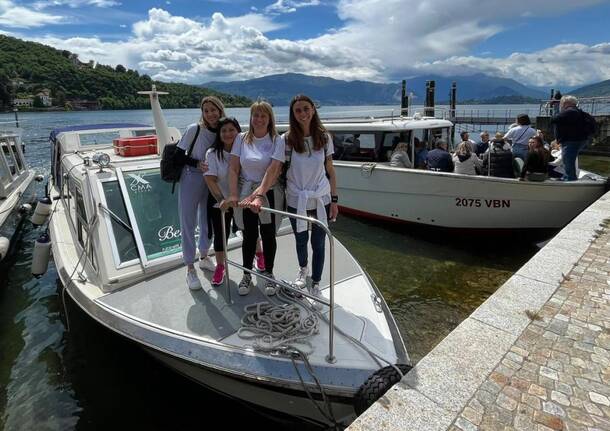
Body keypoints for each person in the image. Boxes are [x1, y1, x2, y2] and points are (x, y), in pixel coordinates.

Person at [283, 94, 338, 305]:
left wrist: (334, 199)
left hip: (320, 198)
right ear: (293, 114)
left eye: (306, 109)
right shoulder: (287, 140)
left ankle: (315, 282)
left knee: (319, 243)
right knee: (300, 239)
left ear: (313, 110)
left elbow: (330, 169)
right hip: (297, 198)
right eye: (298, 110)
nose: (303, 114)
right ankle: (303, 269)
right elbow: (276, 168)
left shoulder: (324, 138)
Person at [226, 101, 285, 296]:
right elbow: (234, 168)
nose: (259, 119)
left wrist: (258, 195)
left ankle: (269, 273)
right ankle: (247, 274)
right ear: (250, 118)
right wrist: (234, 194)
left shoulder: (277, 140)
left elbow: (273, 169)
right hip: (245, 191)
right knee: (249, 235)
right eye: (255, 115)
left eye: (263, 116)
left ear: (270, 119)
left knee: (268, 235)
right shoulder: (241, 139)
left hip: (269, 193)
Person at [176, 96, 225, 290]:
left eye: (213, 109)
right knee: (188, 221)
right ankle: (190, 268)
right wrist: (196, 163)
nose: (210, 114)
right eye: (206, 110)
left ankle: (204, 256)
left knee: (208, 220)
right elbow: (178, 155)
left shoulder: (222, 132)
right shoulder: (194, 129)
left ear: (220, 110)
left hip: (212, 179)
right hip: (192, 177)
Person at [204, 116, 241, 286]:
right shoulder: (212, 154)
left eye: (231, 130)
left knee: (249, 230)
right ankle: (220, 266)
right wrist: (223, 201)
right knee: (221, 236)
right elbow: (210, 179)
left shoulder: (245, 150)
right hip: (220, 200)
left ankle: (259, 255)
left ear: (238, 131)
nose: (227, 133)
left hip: (242, 199)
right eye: (223, 130)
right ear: (219, 134)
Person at [550, 95, 595, 181]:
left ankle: (570, 178)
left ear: (565, 103)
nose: (561, 105)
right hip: (580, 139)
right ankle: (568, 176)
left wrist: (556, 110)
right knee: (568, 158)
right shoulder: (579, 112)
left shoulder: (570, 111)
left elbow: (554, 119)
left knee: (568, 159)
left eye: (561, 103)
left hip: (572, 140)